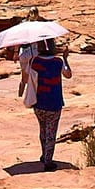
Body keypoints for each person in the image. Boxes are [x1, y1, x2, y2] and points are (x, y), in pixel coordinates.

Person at [29, 39, 72, 171]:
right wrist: (65, 58)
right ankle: (48, 161)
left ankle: (44, 154)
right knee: (51, 132)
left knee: (43, 129)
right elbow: (68, 75)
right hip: (54, 102)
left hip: (39, 102)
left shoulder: (34, 61)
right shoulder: (58, 62)